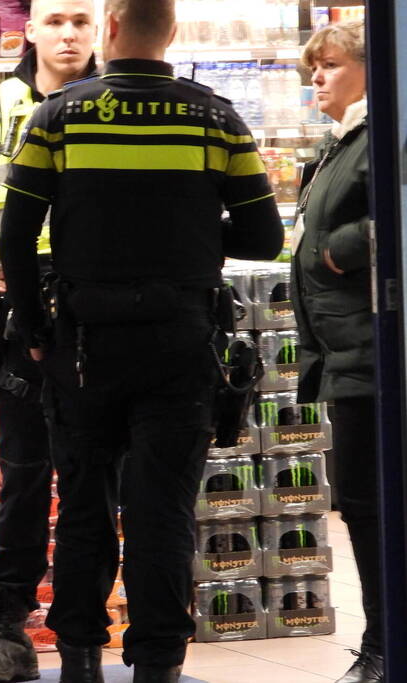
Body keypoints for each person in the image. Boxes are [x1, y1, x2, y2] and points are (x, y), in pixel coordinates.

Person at [0, 0, 283, 680]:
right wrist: (183, 241)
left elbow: (14, 236)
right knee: (160, 511)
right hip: (179, 341)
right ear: (171, 33)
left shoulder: (57, 116)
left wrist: (35, 332)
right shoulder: (214, 118)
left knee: (84, 505)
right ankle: (157, 663)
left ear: (113, 27)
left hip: (84, 345)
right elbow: (263, 238)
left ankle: (79, 658)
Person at [0, 1, 97, 681]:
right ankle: (7, 631)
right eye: (56, 20)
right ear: (30, 29)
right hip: (23, 315)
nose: (68, 34)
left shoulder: (117, 105)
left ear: (100, 31)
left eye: (81, 21)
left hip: (101, 313)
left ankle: (81, 638)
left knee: (95, 483)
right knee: (25, 477)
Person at [291, 21, 380, 683]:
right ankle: (381, 637)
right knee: (359, 501)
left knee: (369, 501)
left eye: (327, 65)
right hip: (343, 351)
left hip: (372, 351)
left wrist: (340, 248)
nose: (315, 79)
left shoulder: (379, 134)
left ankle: (383, 643)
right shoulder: (340, 141)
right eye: (311, 69)